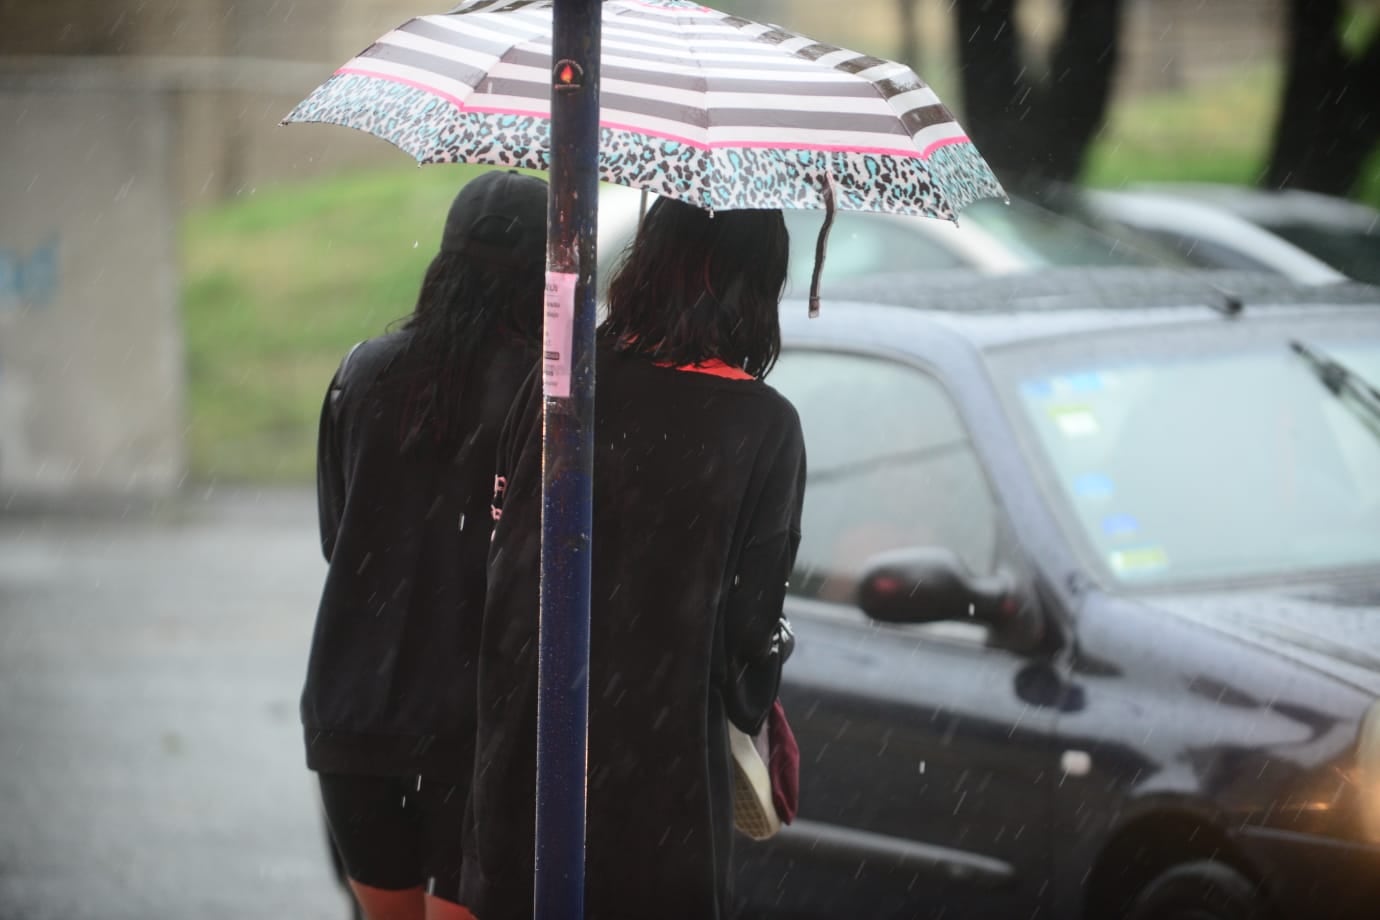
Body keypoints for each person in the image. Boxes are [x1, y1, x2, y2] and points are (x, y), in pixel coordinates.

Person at [462, 198, 808, 920]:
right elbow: (749, 633)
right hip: (660, 800)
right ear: (759, 281)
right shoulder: (764, 426)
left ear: (648, 258)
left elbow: (503, 556)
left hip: (529, 775)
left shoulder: (565, 379)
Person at [302, 170, 548, 920]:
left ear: (444, 261)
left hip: (353, 721)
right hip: (474, 733)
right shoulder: (548, 395)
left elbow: (336, 537)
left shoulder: (362, 372)